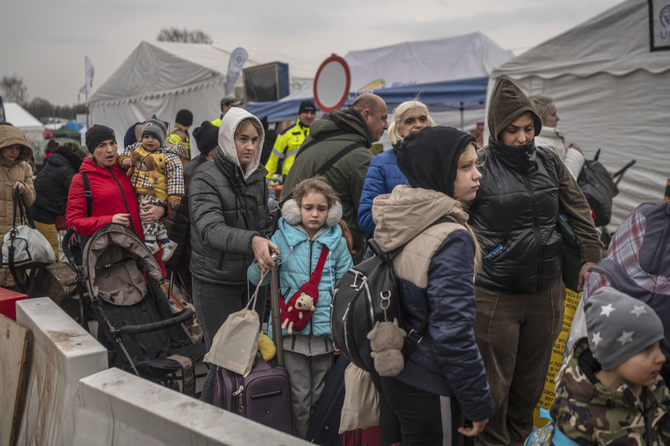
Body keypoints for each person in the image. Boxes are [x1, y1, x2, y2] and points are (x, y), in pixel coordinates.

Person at [467, 78, 602, 446]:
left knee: (529, 391)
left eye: (529, 129)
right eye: (513, 130)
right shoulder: (477, 166)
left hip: (547, 293)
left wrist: (592, 259)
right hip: (495, 296)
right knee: (495, 393)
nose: (523, 137)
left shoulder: (548, 160)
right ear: (497, 129)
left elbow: (580, 214)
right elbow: (454, 223)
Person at [370, 126, 493, 446]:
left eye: (475, 164)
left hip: (394, 368)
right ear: (437, 171)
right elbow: (453, 333)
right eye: (466, 167)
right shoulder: (450, 237)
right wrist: (478, 403)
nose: (477, 174)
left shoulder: (400, 213)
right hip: (429, 381)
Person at [247, 177, 353, 438]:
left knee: (319, 397)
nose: (315, 214)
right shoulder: (281, 239)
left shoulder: (337, 243)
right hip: (289, 337)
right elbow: (254, 279)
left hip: (324, 337)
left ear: (332, 211)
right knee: (299, 400)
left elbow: (347, 289)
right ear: (296, 209)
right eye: (308, 207)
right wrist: (260, 264)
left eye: (321, 208)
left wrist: (341, 332)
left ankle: (315, 439)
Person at [189, 108, 274, 404]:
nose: (249, 146)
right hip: (215, 281)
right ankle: (207, 424)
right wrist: (252, 240)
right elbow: (210, 229)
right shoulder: (204, 177)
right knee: (222, 359)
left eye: (254, 139)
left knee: (248, 357)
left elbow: (261, 223)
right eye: (242, 139)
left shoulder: (258, 176)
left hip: (252, 279)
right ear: (227, 138)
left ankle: (239, 421)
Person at [551, 287, 670, 446]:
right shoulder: (576, 416)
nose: (661, 357)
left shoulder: (656, 387)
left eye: (659, 346)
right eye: (646, 348)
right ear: (613, 353)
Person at [282, 93, 388, 264]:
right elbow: (370, 219)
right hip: (337, 260)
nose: (386, 125)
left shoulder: (313, 138)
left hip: (294, 250)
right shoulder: (361, 158)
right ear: (366, 115)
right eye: (383, 118)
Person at [66, 124, 167, 258]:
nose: (109, 150)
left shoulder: (131, 169)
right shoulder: (81, 180)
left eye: (112, 143)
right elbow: (73, 223)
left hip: (149, 252)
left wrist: (163, 210)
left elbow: (156, 193)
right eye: (102, 145)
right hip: (116, 260)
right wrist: (109, 221)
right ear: (92, 151)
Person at [357, 100, 435, 234]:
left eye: (423, 119)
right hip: (400, 249)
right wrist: (416, 215)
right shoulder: (381, 163)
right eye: (409, 121)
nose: (418, 125)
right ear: (399, 130)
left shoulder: (443, 160)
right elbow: (366, 219)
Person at [164, 121, 219, 295]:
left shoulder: (215, 168)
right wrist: (171, 262)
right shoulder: (192, 173)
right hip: (191, 253)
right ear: (211, 150)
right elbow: (177, 220)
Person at [120, 115, 183, 262]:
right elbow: (125, 153)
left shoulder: (167, 156)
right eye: (146, 136)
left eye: (153, 137)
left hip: (156, 191)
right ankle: (166, 242)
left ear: (161, 140)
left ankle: (150, 243)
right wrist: (125, 160)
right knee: (153, 218)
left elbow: (176, 173)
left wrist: (175, 195)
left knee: (146, 212)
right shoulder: (137, 149)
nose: (149, 140)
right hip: (144, 191)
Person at [29, 143, 86, 259]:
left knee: (41, 254)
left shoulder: (56, 163)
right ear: (79, 160)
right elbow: (78, 198)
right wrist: (72, 229)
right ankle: (45, 277)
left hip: (34, 212)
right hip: (44, 216)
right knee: (51, 256)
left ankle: (38, 276)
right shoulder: (68, 171)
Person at [0, 122, 36, 289]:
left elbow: (31, 200)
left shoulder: (24, 167)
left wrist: (24, 189)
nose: (15, 151)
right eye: (10, 147)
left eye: (18, 147)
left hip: (15, 238)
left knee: (15, 284)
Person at [530, 94, 585, 180]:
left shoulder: (544, 139)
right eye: (553, 114)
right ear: (540, 117)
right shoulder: (541, 146)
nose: (558, 118)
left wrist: (567, 154)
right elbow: (563, 182)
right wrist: (574, 154)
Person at [264, 100, 316, 180]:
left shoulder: (318, 133)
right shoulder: (286, 134)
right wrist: (264, 182)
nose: (309, 116)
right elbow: (273, 160)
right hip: (291, 179)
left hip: (313, 178)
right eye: (306, 112)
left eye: (312, 113)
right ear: (299, 114)